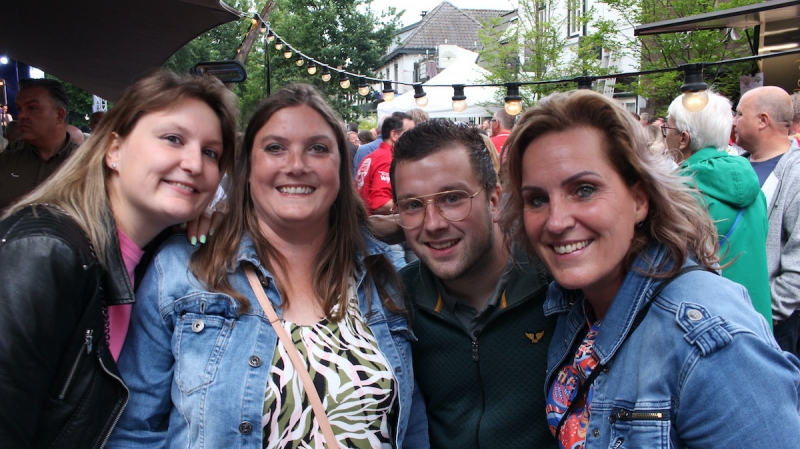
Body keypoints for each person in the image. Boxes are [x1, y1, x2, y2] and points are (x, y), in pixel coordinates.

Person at [108, 84, 428, 448]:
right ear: (247, 168)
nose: (296, 165)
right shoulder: (185, 268)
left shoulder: (379, 272)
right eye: (275, 148)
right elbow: (133, 429)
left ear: (341, 167)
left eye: (318, 148)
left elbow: (411, 422)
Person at [502, 89, 800, 449]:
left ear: (639, 199)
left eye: (584, 190)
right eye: (537, 199)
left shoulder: (711, 341)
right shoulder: (576, 302)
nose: (556, 221)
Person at [0, 70, 238, 448]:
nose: (194, 163)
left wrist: (214, 222)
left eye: (211, 152)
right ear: (114, 150)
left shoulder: (157, 256)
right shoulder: (44, 253)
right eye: (173, 139)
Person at [390, 119, 556, 448]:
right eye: (413, 205)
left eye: (452, 198)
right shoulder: (393, 305)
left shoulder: (558, 287)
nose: (433, 224)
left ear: (494, 200)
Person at [665, 90, 772, 325]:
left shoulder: (677, 195)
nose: (665, 136)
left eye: (667, 129)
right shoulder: (755, 189)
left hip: (709, 326)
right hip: (756, 321)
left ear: (683, 139)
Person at [735, 86, 800, 355]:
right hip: (730, 318)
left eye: (739, 114)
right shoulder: (734, 168)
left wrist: (760, 312)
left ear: (763, 120)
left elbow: (797, 270)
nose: (733, 121)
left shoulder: (796, 175)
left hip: (774, 330)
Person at [0, 78, 79, 210]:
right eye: (19, 109)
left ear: (59, 115)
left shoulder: (89, 165)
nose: (21, 116)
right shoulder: (5, 163)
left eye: (32, 108)